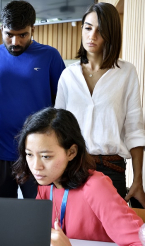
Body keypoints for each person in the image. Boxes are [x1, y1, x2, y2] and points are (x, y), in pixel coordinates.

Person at [55, 2, 145, 208]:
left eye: (100, 30)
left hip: (112, 168)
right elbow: (58, 130)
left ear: (111, 34)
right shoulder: (68, 75)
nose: (92, 36)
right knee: (76, 234)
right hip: (74, 167)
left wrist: (138, 180)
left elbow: (135, 130)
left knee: (110, 237)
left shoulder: (127, 72)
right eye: (88, 27)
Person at [0, 0, 65, 198]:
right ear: (1, 28)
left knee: (40, 215)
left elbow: (62, 105)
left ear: (33, 28)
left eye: (22, 35)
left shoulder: (50, 56)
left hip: (40, 153)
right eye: (9, 35)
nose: (15, 42)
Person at [12, 107, 143, 246]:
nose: (36, 166)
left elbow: (139, 243)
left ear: (71, 152)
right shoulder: (46, 185)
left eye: (46, 156)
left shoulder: (96, 187)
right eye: (29, 154)